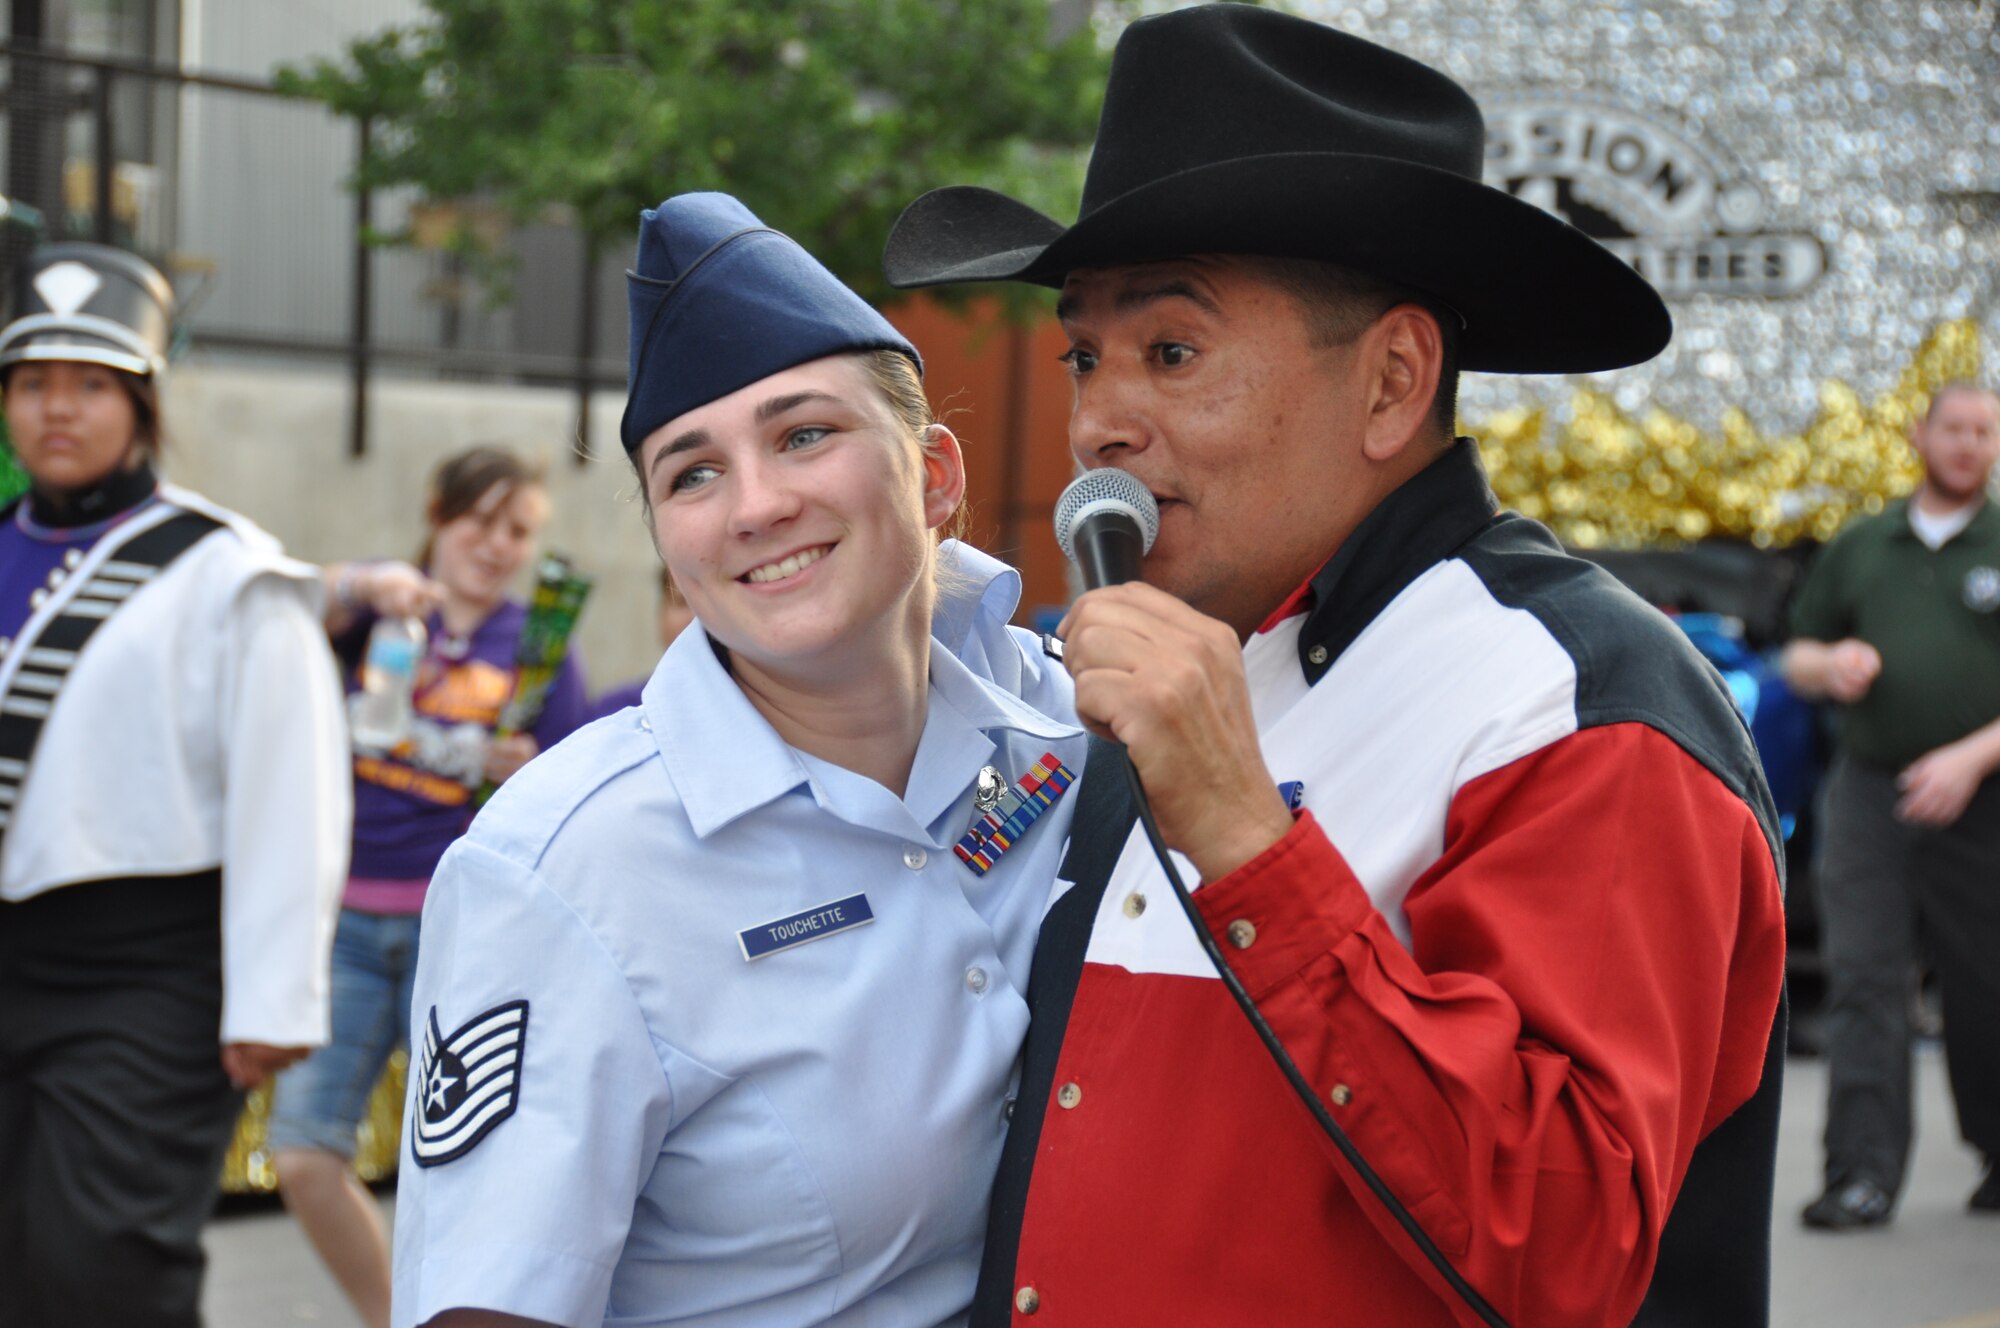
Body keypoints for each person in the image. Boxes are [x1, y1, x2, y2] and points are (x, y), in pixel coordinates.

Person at [883, 8, 1788, 1325]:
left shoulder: (1575, 700)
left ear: (1391, 383)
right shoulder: (1199, 649)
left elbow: (1565, 1248)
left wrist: (1252, 846)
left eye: (1172, 352)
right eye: (1085, 354)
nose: (1097, 421)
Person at [390, 192, 1084, 1328]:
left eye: (803, 433)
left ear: (934, 475)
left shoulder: (1059, 724)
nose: (755, 504)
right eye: (691, 472)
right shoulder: (562, 869)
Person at [0, 242, 349, 1326]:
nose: (58, 409)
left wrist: (272, 993)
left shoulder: (228, 569)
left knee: (100, 1261)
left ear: (143, 402)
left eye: (92, 383)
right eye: (32, 381)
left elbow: (293, 789)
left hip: (150, 967)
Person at [269, 445, 591, 1328]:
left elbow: (573, 800)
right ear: (438, 514)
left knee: (464, 1164)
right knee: (302, 1155)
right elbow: (263, 609)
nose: (496, 544)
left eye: (517, 530)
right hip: (342, 926)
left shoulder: (540, 652)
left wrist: (523, 771)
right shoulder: (372, 614)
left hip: (462, 936)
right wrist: (369, 583)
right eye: (480, 520)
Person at [1782, 382, 2000, 1229]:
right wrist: (1829, 663)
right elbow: (1796, 652)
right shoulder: (1863, 544)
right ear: (1921, 436)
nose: (1968, 443)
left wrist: (1968, 759)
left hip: (1982, 799)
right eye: (1955, 428)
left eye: (1984, 432)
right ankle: (1861, 1176)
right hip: (1870, 793)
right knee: (1867, 981)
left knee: (1985, 985)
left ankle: (1997, 1152)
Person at [586, 566, 694, 721]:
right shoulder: (614, 713)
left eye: (711, 604)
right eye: (683, 602)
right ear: (660, 614)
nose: (697, 619)